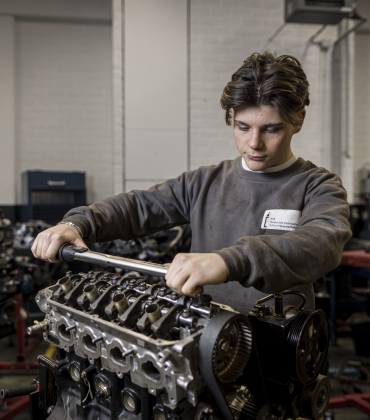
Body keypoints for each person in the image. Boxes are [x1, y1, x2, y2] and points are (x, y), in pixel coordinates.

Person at [32, 51, 352, 315]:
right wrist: (78, 223)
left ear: (299, 119)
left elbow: (320, 244)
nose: (254, 143)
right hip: (206, 342)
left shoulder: (318, 186)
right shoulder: (204, 183)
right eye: (242, 127)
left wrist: (228, 261)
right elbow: (139, 206)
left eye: (271, 129)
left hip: (279, 349)